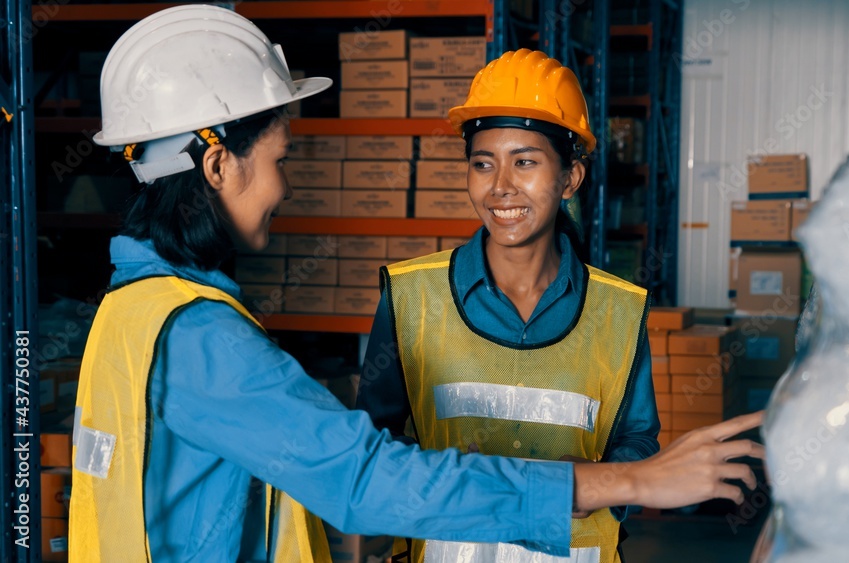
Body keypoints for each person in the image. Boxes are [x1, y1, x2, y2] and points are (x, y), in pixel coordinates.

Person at [70, 6, 765, 561]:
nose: (285, 185)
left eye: (526, 161)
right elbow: (366, 477)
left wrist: (653, 479)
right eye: (280, 157)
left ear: (570, 174)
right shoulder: (204, 338)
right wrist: (635, 480)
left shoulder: (133, 311)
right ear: (218, 167)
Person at [354, 49, 755, 563]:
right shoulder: (412, 297)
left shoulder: (617, 310)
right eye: (482, 163)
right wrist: (445, 470)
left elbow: (637, 440)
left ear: (570, 179)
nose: (500, 186)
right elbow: (372, 451)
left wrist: (597, 481)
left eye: (524, 162)